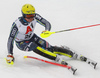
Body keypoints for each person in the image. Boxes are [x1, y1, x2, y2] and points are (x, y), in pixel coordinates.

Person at [6, 4, 97, 69]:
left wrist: (47, 30)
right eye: (28, 16)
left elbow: (46, 23)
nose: (31, 18)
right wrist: (10, 54)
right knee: (34, 46)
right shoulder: (17, 24)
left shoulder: (35, 17)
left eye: (32, 15)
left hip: (32, 37)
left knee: (49, 47)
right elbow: (10, 39)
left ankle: (72, 54)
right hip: (21, 43)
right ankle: (55, 58)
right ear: (23, 15)